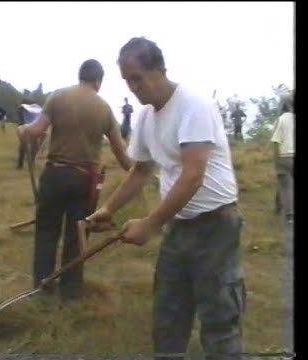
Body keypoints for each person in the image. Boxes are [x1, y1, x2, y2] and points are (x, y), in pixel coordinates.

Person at [86, 37, 246, 360]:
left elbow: (193, 175)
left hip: (217, 225)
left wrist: (150, 224)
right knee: (168, 316)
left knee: (219, 319)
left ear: (160, 70)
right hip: (179, 225)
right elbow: (140, 171)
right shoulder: (146, 117)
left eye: (138, 78)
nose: (133, 87)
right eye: (128, 81)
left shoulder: (193, 105)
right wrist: (108, 208)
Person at [16, 59, 132, 301]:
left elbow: (36, 131)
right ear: (98, 81)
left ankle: (42, 288)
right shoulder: (104, 108)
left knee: (47, 231)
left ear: (80, 76)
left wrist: (23, 131)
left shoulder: (58, 97)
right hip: (84, 181)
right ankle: (71, 292)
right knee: (76, 235)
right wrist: (140, 172)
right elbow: (121, 153)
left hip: (55, 174)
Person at [271, 96, 294, 225]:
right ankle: (277, 206)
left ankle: (290, 214)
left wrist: (276, 160)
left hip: (285, 156)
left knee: (286, 186)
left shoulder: (281, 120)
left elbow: (276, 141)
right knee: (284, 185)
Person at [16, 103, 43, 170]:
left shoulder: (35, 112)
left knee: (27, 146)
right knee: (27, 146)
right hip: (29, 129)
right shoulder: (37, 111)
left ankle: (23, 163)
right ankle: (23, 163)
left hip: (30, 128)